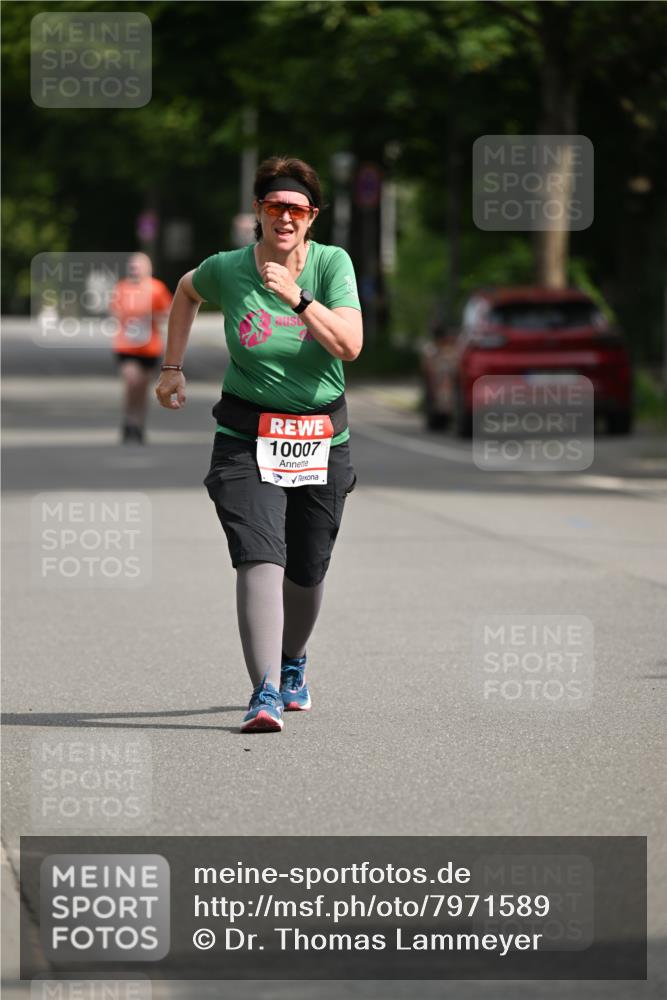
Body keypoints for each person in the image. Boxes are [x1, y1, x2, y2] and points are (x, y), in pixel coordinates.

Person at [155, 156, 363, 733]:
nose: (286, 218)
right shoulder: (229, 268)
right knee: (259, 554)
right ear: (259, 213)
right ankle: (265, 690)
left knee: (308, 566)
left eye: (297, 209)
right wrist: (171, 367)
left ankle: (294, 662)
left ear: (312, 217)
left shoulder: (331, 266)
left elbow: (349, 346)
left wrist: (298, 297)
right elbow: (185, 291)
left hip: (320, 436)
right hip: (247, 436)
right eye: (275, 208)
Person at [111, 252, 172, 443]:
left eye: (139, 266)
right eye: (133, 266)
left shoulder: (157, 289)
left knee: (143, 387)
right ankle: (128, 421)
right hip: (126, 346)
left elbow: (167, 312)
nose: (135, 269)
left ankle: (139, 424)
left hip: (150, 347)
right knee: (131, 382)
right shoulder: (122, 288)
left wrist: (152, 316)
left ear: (148, 269)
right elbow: (114, 310)